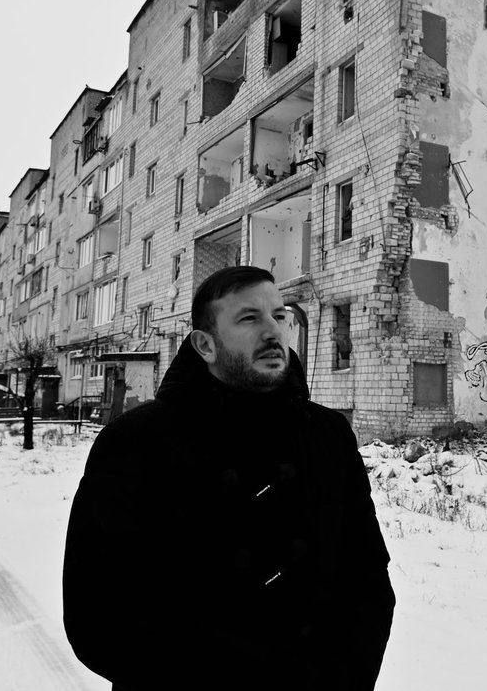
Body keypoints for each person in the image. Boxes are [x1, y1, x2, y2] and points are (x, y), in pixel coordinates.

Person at [63, 266, 395, 689]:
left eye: (279, 316)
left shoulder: (328, 435)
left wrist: (342, 678)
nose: (273, 332)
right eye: (249, 318)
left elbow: (366, 577)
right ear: (205, 345)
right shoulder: (135, 444)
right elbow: (96, 612)